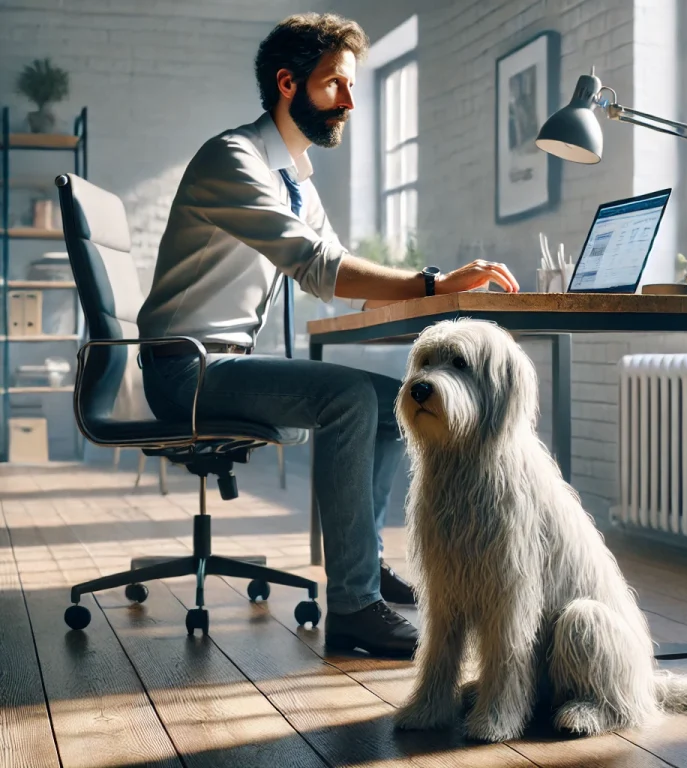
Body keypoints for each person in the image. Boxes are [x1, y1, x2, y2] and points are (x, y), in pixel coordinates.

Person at [137, 12, 520, 658]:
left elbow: (334, 276)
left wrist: (444, 288)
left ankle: (360, 570)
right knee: (347, 399)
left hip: (221, 366)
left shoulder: (295, 180)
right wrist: (433, 283)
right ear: (288, 84)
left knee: (386, 398)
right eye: (333, 85)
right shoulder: (233, 159)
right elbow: (319, 267)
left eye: (350, 86)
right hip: (187, 372)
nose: (348, 101)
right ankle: (353, 607)